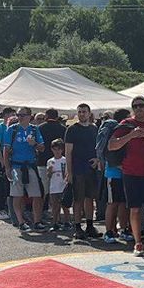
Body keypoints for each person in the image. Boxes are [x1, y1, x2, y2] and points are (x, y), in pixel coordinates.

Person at [108, 96, 144, 256]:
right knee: (134, 209)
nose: (138, 109)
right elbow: (112, 145)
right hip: (130, 173)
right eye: (135, 106)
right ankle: (138, 243)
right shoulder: (126, 124)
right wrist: (131, 136)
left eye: (141, 106)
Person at [2, 108, 47, 233]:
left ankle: (37, 221)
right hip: (16, 166)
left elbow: (42, 148)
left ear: (29, 116)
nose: (20, 117)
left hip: (30, 165)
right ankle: (21, 222)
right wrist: (7, 168)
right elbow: (6, 150)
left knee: (37, 195)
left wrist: (34, 144)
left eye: (23, 115)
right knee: (17, 195)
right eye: (18, 115)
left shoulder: (34, 129)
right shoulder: (12, 129)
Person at [64, 103, 101, 240]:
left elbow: (98, 147)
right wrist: (69, 172)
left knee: (90, 198)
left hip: (91, 168)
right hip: (77, 168)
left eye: (84, 112)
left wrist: (97, 160)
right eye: (79, 112)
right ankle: (78, 227)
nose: (81, 114)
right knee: (78, 199)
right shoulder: (72, 129)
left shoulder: (94, 128)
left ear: (89, 113)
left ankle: (90, 225)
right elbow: (68, 152)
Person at [97, 108, 131, 245]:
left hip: (124, 174)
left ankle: (123, 229)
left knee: (123, 203)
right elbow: (110, 156)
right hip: (113, 173)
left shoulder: (124, 132)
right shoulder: (114, 133)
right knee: (112, 203)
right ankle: (109, 231)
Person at [37, 109, 66, 209]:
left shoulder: (40, 128)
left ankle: (42, 211)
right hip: (59, 161)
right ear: (57, 117)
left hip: (42, 161)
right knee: (59, 189)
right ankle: (57, 212)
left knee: (44, 190)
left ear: (46, 116)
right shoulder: (63, 128)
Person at [45, 139, 70, 230]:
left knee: (65, 205)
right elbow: (48, 175)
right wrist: (49, 171)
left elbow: (68, 172)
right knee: (55, 206)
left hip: (63, 185)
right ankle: (55, 222)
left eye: (59, 149)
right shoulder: (50, 161)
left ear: (62, 150)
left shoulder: (65, 160)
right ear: (52, 149)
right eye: (55, 149)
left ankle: (67, 222)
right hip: (54, 186)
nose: (57, 151)